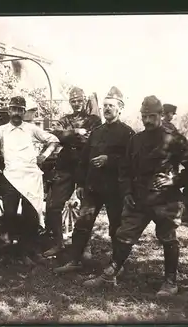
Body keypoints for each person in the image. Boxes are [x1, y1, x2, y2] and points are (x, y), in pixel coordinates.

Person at [82, 95, 188, 297]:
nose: (147, 120)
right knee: (124, 236)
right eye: (144, 116)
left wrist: (174, 181)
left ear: (160, 115)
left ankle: (170, 281)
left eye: (151, 116)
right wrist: (127, 192)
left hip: (165, 200)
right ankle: (109, 275)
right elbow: (124, 170)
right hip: (138, 199)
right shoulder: (136, 140)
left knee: (168, 238)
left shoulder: (172, 138)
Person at [54, 86, 135, 274]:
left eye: (111, 106)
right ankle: (75, 260)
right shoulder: (97, 131)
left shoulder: (128, 133)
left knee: (116, 227)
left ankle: (116, 265)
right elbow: (84, 159)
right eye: (105, 106)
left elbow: (130, 161)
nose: (107, 109)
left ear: (120, 108)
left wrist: (110, 160)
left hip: (115, 188)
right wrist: (81, 183)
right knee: (82, 223)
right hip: (93, 187)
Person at [0, 96, 59, 265]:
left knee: (31, 216)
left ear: (24, 112)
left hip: (31, 177)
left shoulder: (31, 129)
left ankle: (26, 252)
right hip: (11, 177)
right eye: (13, 109)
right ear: (8, 111)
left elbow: (53, 140)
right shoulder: (1, 130)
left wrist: (44, 155)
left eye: (20, 110)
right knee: (9, 215)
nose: (16, 113)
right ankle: (5, 252)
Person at [43, 87, 102, 257]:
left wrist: (68, 137)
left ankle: (86, 246)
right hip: (65, 166)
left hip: (85, 166)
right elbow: (55, 133)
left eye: (79, 100)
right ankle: (58, 243)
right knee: (54, 206)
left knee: (87, 208)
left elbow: (93, 139)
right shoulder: (64, 119)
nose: (76, 104)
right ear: (70, 102)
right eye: (73, 101)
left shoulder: (94, 120)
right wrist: (75, 133)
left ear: (85, 101)